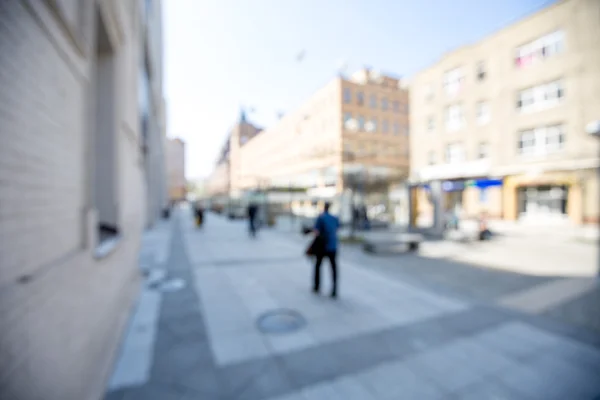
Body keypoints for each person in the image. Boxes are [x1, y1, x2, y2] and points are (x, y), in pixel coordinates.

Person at [313, 202, 340, 298]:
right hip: (333, 246)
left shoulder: (321, 218)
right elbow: (337, 229)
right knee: (333, 268)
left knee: (318, 266)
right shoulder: (335, 218)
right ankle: (334, 289)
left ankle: (316, 286)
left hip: (322, 246)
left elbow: (316, 231)